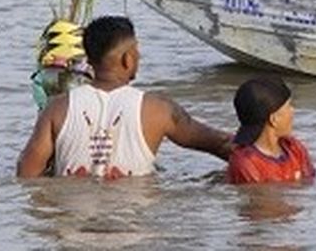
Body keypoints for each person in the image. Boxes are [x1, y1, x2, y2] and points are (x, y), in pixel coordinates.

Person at [16, 16, 231, 178]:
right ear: (128, 59)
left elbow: (26, 175)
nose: (139, 56)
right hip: (133, 225)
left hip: (74, 230)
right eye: (136, 51)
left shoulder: (56, 109)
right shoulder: (158, 110)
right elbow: (220, 145)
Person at [227, 77, 316, 185]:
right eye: (288, 106)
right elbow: (262, 200)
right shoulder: (246, 163)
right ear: (274, 119)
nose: (293, 111)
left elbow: (311, 182)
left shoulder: (294, 147)